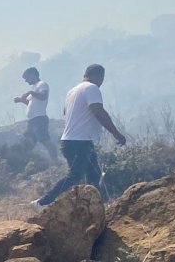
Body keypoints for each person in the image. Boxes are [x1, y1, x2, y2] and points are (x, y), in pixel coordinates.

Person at [33, 64, 127, 207]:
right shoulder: (91, 88)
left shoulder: (72, 91)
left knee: (93, 176)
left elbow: (66, 112)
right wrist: (116, 134)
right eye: (102, 79)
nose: (101, 83)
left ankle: (96, 207)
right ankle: (42, 202)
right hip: (79, 142)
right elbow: (99, 112)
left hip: (76, 140)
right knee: (75, 175)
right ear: (99, 76)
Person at [14, 67, 59, 163]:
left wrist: (30, 93)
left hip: (39, 119)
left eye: (26, 78)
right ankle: (30, 163)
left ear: (33, 75)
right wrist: (21, 100)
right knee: (27, 142)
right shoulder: (34, 88)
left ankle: (55, 161)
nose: (26, 81)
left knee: (44, 140)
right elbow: (31, 103)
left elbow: (43, 96)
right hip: (32, 120)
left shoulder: (42, 84)